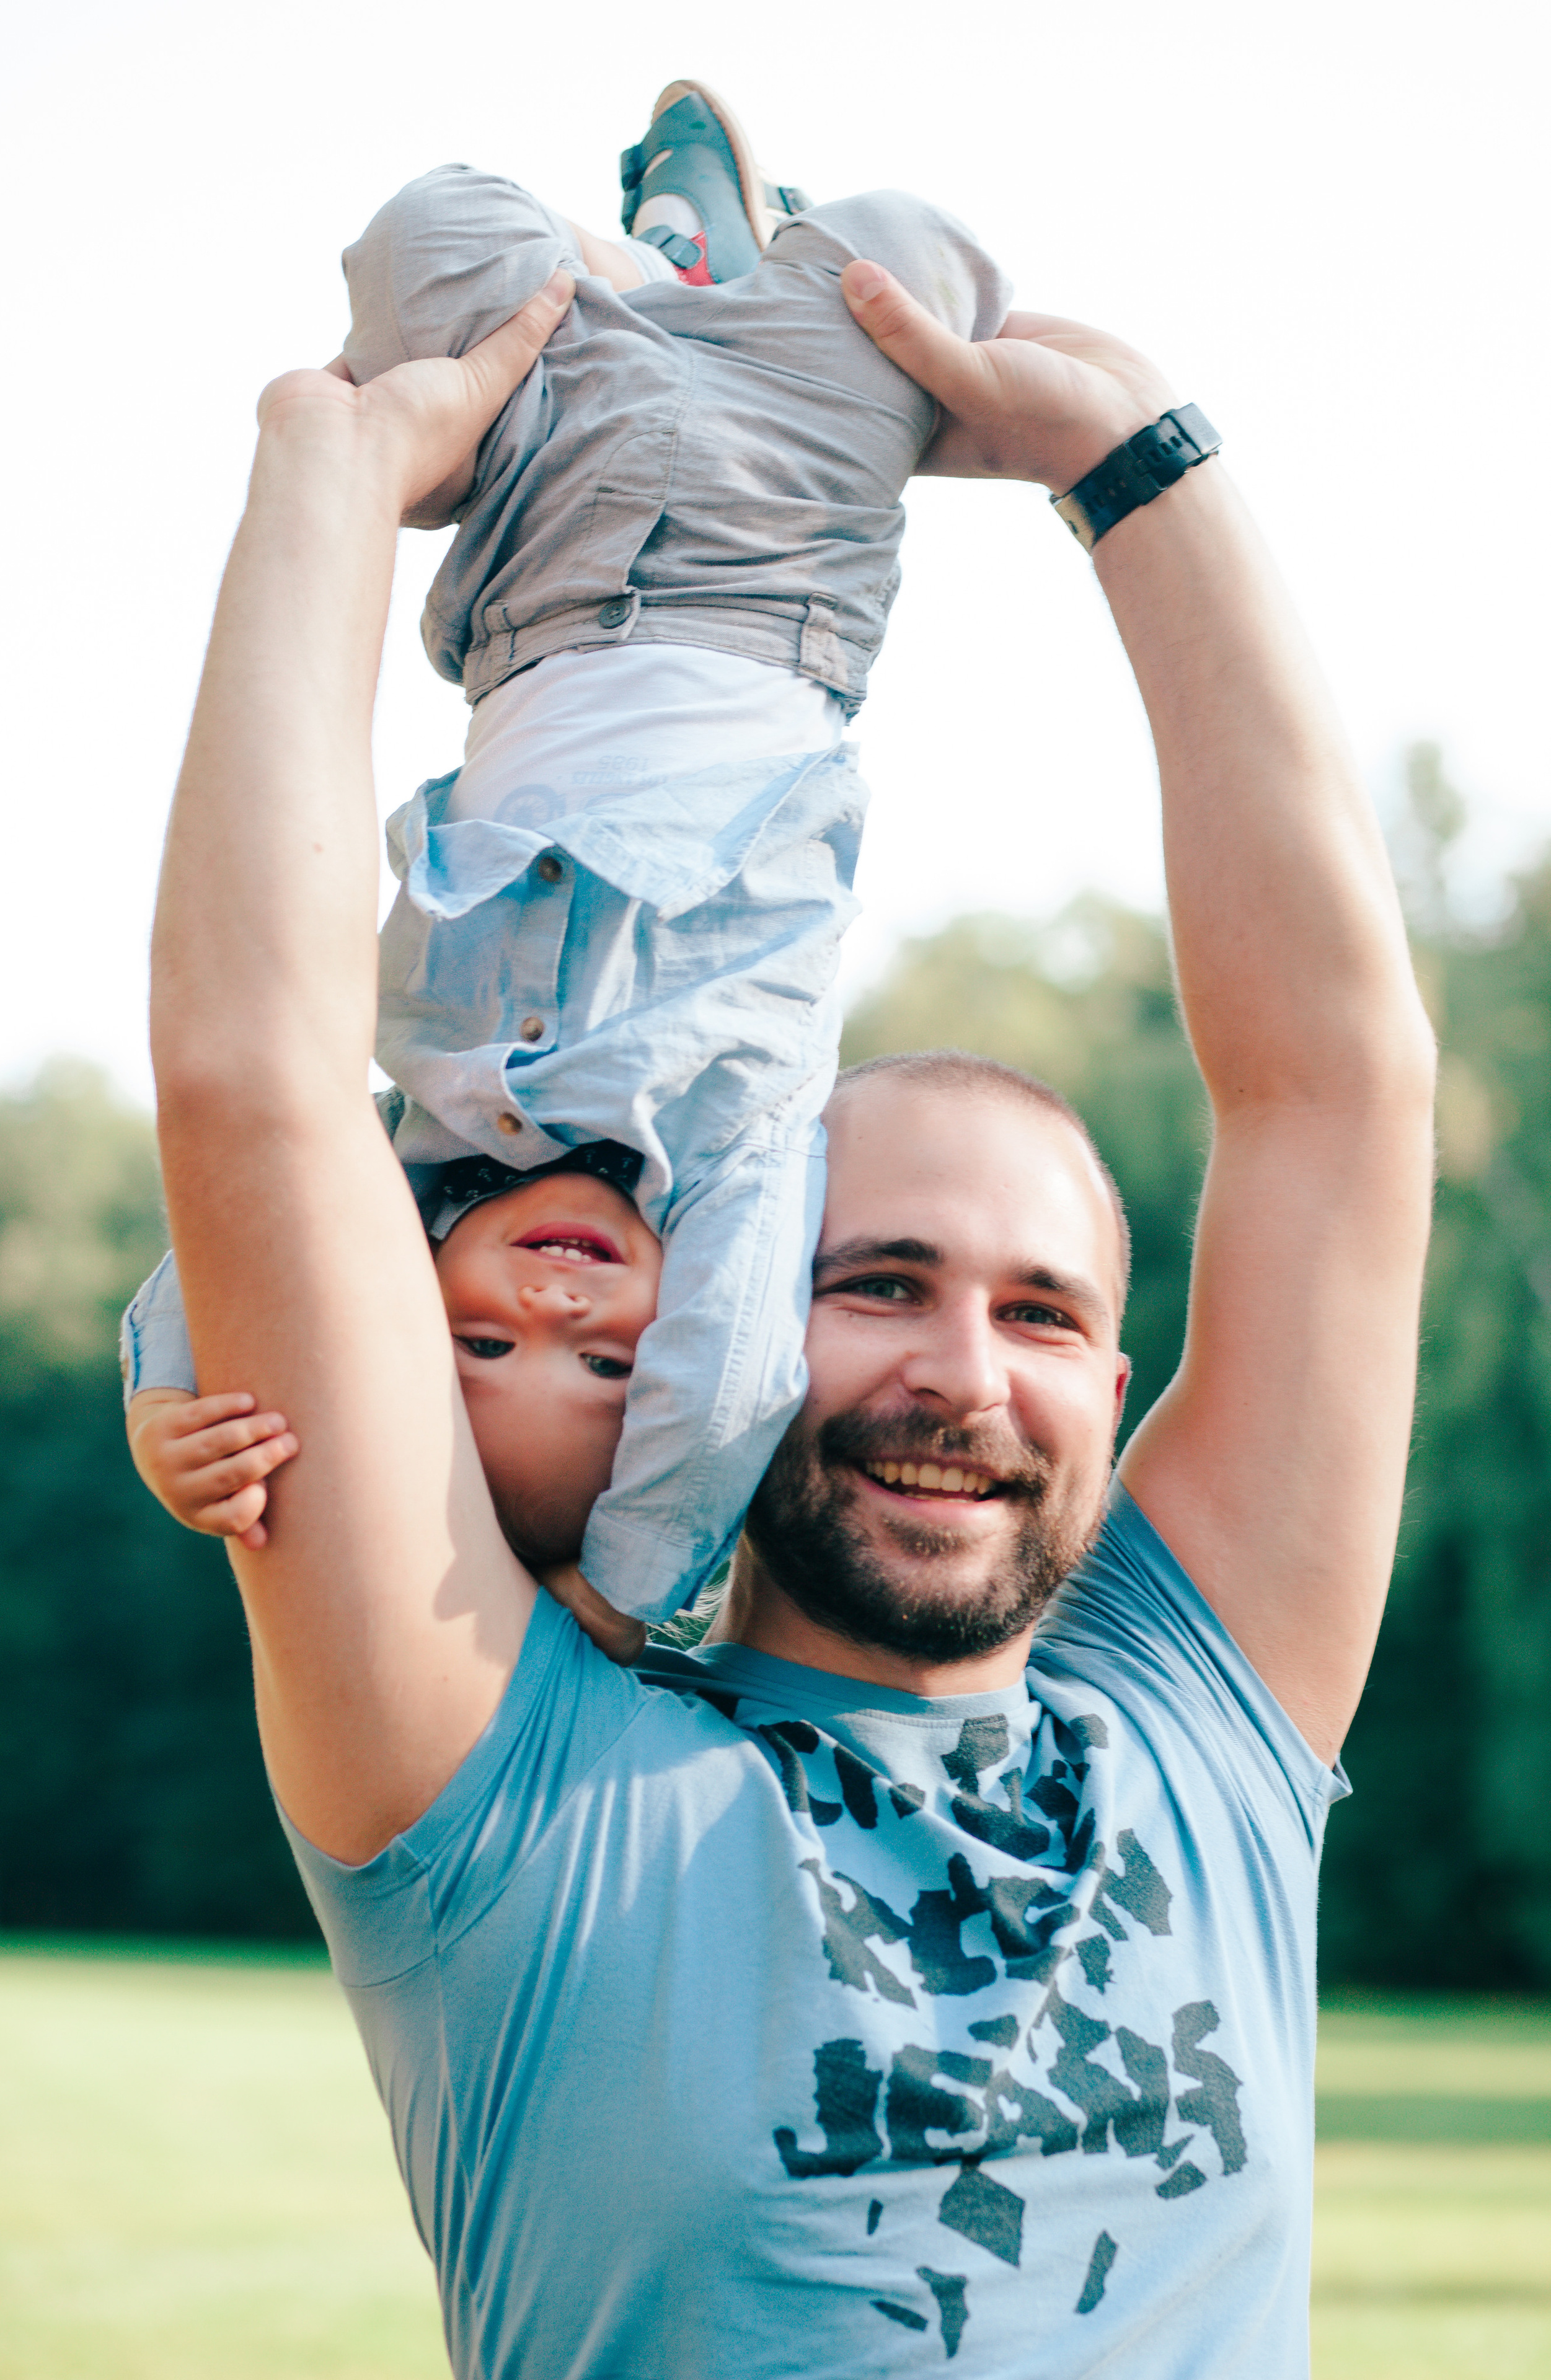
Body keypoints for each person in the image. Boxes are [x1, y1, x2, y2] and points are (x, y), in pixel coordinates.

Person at [147, 192, 1435, 2373]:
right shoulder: (505, 1777)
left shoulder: (1204, 1726)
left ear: (1117, 1374)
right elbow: (254, 1090)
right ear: (711, 1320)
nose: (966, 1373)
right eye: (877, 1282)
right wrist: (330, 472)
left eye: (1042, 1313)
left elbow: (1341, 1094)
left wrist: (1129, 464)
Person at [121, 84, 1010, 1624]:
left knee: (433, 229)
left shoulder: (407, 1137)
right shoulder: (732, 1164)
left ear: (407, 1303)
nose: (553, 1301)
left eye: (482, 1346)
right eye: (607, 1364)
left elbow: (238, 1220)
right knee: (913, 253)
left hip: (544, 551)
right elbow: (725, 1396)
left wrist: (163, 1409)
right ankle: (725, 278)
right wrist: (623, 1591)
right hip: (779, 565)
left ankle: (654, 267)